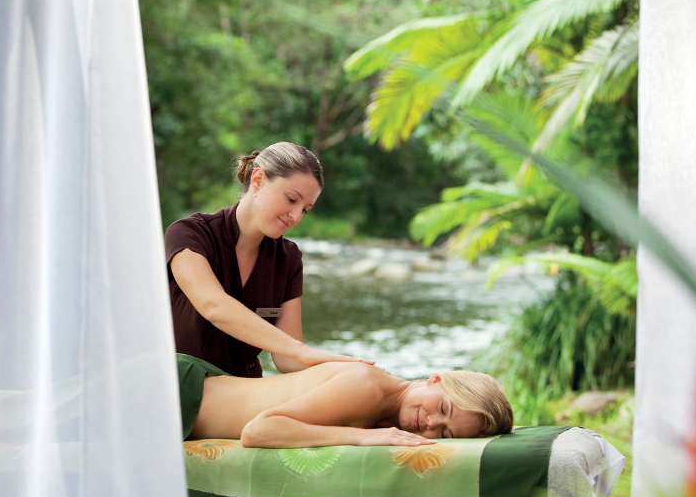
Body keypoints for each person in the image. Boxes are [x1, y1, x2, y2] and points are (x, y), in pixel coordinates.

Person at [166, 142, 370, 378]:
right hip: (178, 389)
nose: (296, 216)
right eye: (292, 199)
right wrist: (300, 350)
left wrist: (346, 367)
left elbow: (287, 360)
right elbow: (214, 306)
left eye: (305, 209)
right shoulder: (189, 234)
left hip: (247, 395)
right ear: (258, 179)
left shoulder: (288, 259)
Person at [177, 354, 514, 448]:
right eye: (443, 409)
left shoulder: (386, 411)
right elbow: (257, 431)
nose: (430, 424)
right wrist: (364, 437)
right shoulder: (366, 386)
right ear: (435, 379)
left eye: (445, 434)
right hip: (180, 393)